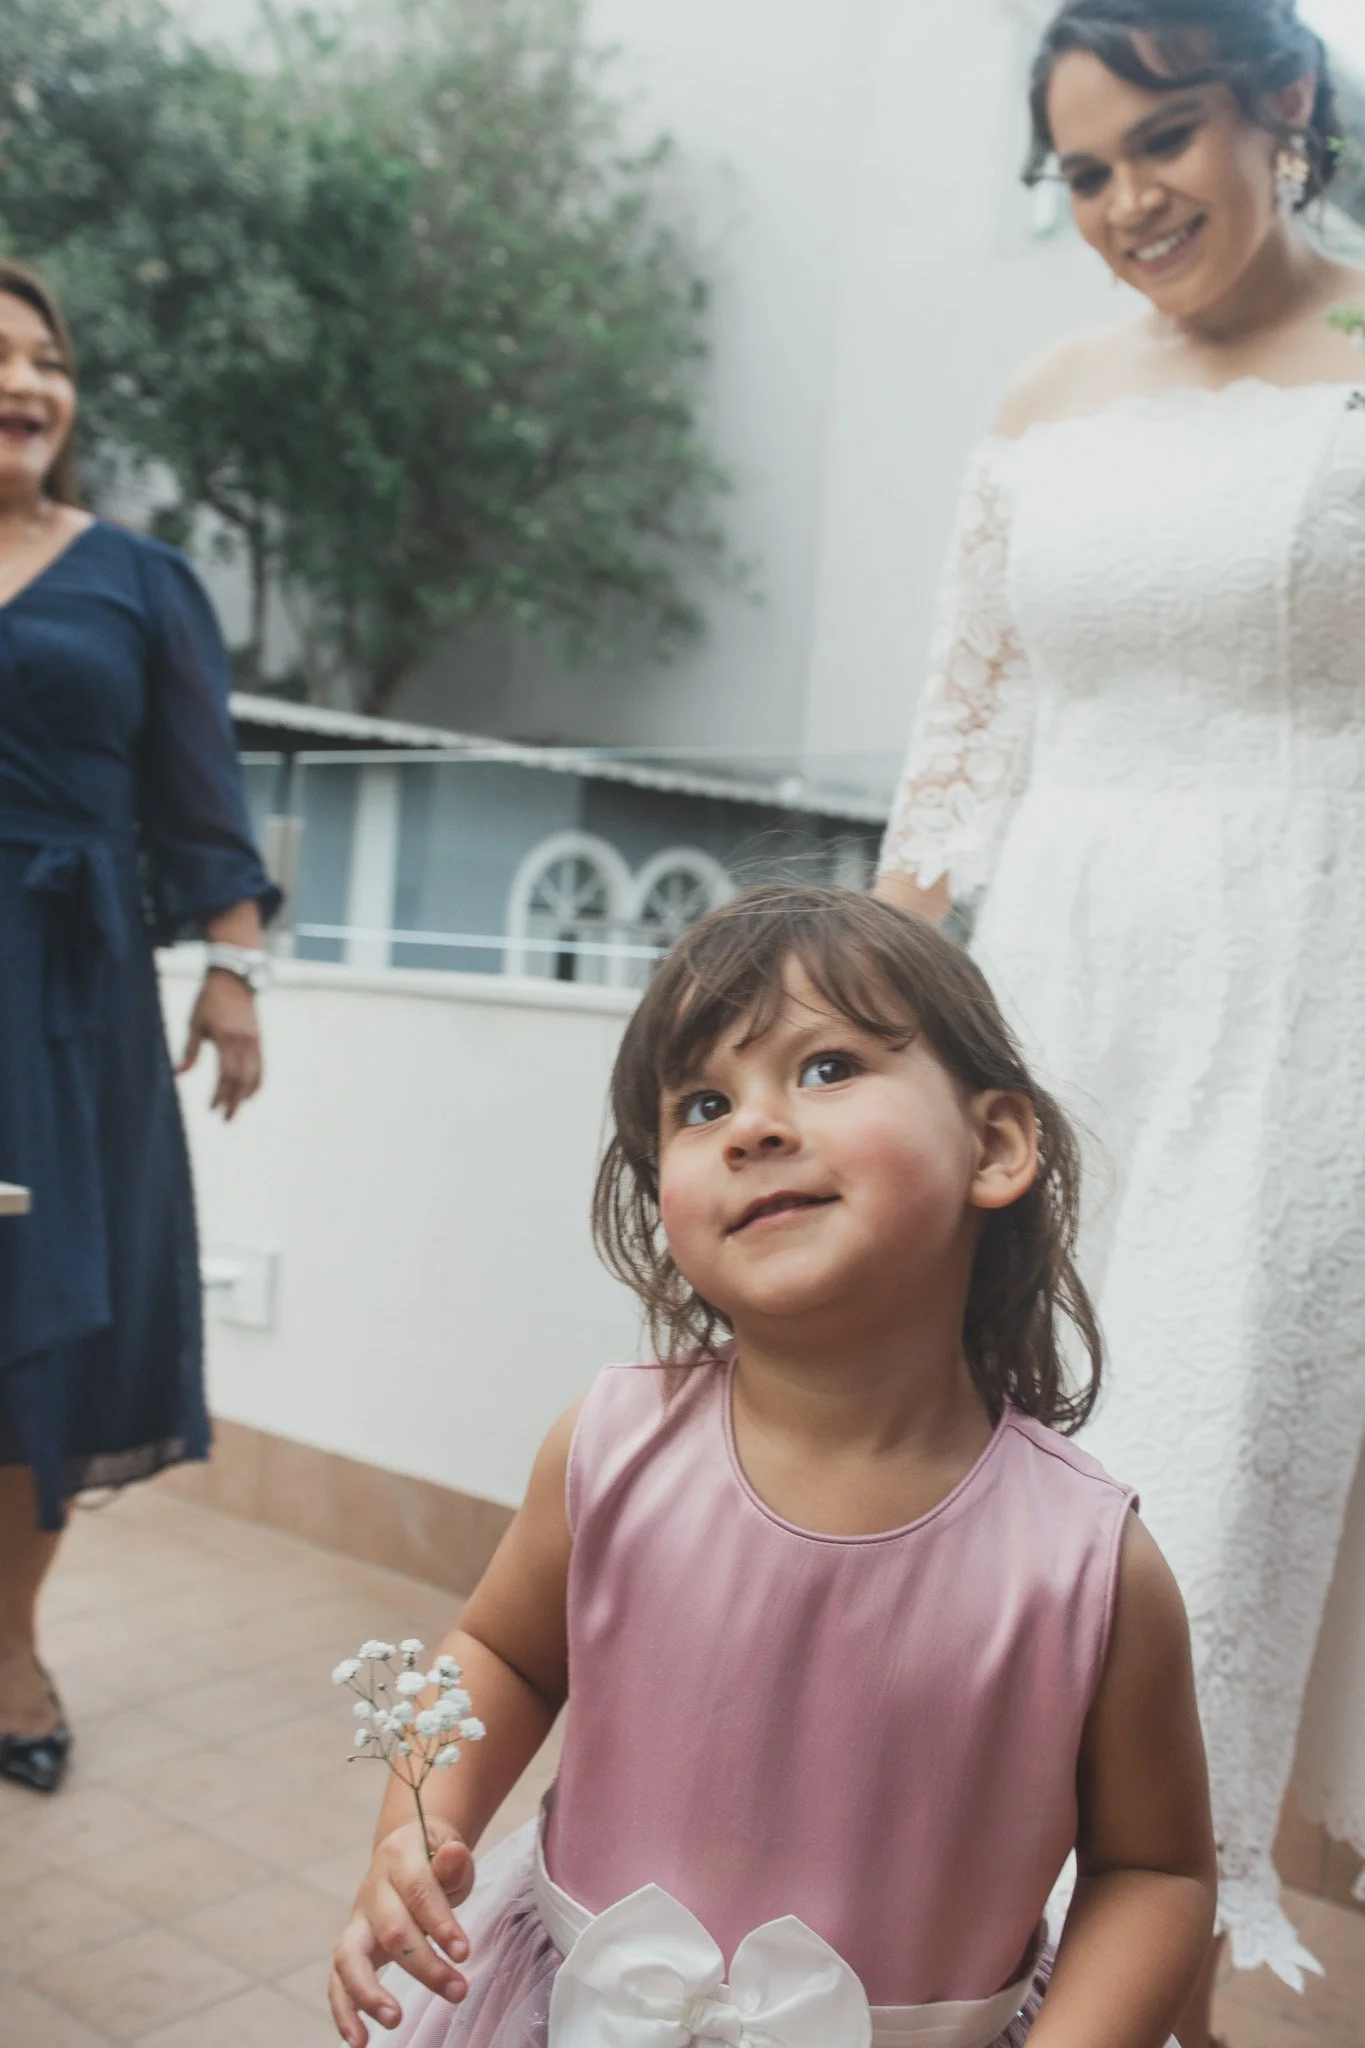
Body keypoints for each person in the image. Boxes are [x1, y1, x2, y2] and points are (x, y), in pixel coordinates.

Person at [328, 886, 1216, 2048]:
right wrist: (415, 1820)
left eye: (830, 1066)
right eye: (703, 1102)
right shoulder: (606, 1447)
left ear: (993, 1144)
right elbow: (499, 1650)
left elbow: (1154, 1870)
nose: (752, 1124)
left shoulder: (1094, 1565)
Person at [874, 0, 1365, 2035]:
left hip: (1302, 993)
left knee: (1185, 1514)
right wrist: (854, 1047)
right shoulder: (1043, 398)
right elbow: (950, 761)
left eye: (1161, 139)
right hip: (1050, 1009)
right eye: (1080, 171)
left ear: (1284, 108)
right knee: (999, 1477)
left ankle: (1144, 1986)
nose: (1125, 202)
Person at [0, 259, 279, 1793]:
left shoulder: (139, 581)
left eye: (48, 358)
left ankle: (11, 1647)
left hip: (61, 996)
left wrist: (236, 969)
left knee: (32, 1330)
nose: (27, 381)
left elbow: (200, 798)